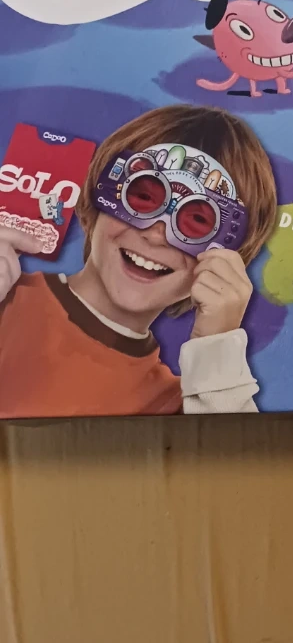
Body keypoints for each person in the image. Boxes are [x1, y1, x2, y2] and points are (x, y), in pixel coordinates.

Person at [0, 105, 277, 420]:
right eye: (143, 197)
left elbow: (233, 452)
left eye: (198, 221)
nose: (157, 235)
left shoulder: (181, 407)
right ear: (96, 199)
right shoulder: (7, 301)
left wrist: (216, 352)